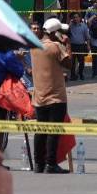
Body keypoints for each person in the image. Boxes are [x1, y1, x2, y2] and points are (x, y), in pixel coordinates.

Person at [30, 18, 72, 174]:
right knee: (53, 131)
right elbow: (69, 64)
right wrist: (67, 44)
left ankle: (38, 163)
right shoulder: (55, 47)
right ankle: (50, 163)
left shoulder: (34, 46)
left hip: (39, 96)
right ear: (55, 33)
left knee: (41, 130)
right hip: (55, 97)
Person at [66, 14, 90, 81]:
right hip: (72, 46)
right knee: (72, 61)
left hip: (81, 46)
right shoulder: (71, 26)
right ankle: (73, 75)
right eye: (74, 17)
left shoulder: (84, 26)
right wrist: (69, 24)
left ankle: (81, 74)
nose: (75, 18)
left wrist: (88, 46)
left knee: (81, 61)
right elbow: (66, 31)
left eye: (77, 17)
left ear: (80, 18)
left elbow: (87, 37)